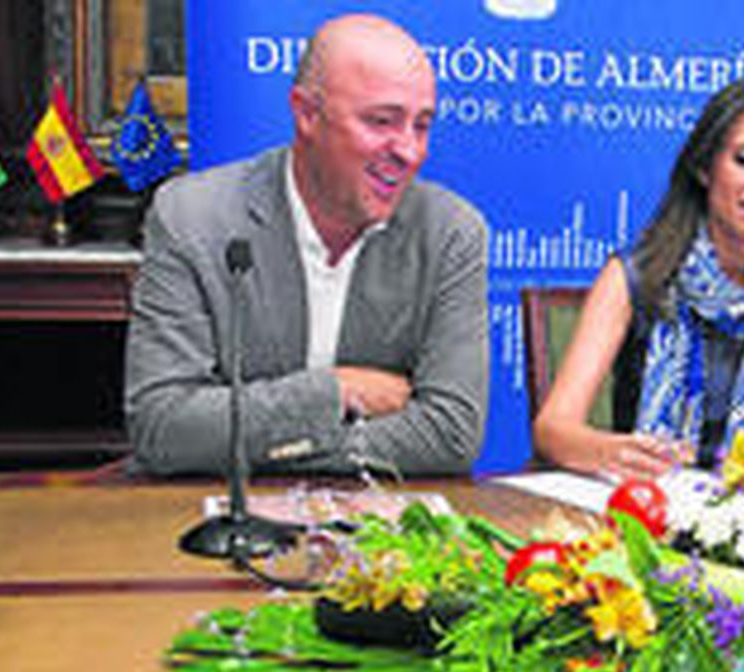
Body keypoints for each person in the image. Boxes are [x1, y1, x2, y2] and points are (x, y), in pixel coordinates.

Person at [125, 14, 489, 477]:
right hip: (212, 511)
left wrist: (270, 446)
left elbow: (451, 436)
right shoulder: (193, 216)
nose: (409, 151)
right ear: (307, 113)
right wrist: (334, 391)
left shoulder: (449, 233)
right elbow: (164, 428)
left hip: (374, 515)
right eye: (382, 121)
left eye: (421, 125)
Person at [533, 78, 744, 479]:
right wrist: (612, 451)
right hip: (649, 504)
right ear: (705, 168)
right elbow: (552, 430)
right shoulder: (633, 277)